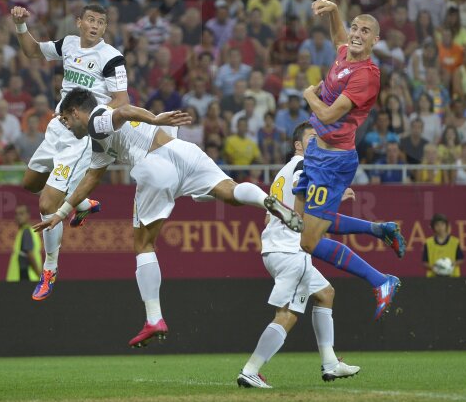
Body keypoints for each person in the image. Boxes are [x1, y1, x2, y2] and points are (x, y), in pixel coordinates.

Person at [36, 89, 302, 347]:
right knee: (230, 191)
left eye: (66, 121)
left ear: (74, 112)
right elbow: (91, 178)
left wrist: (153, 118)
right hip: (183, 152)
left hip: (154, 167)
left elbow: (124, 111)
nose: (67, 127)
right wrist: (61, 213)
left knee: (143, 245)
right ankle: (267, 202)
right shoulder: (100, 139)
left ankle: (154, 319)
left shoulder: (96, 119)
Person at [10, 3, 127, 301]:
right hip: (57, 127)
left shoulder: (111, 57)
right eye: (90, 20)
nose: (95, 25)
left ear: (104, 27)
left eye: (101, 22)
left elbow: (122, 100)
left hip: (80, 136)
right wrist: (20, 25)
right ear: (78, 22)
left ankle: (49, 268)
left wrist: (93, 118)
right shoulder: (68, 45)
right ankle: (84, 203)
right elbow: (32, 51)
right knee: (30, 184)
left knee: (48, 204)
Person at [297, 0, 405, 320]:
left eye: (365, 31)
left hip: (334, 162)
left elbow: (329, 113)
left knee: (309, 241)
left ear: (376, 41)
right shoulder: (345, 53)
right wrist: (333, 12)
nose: (357, 34)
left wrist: (308, 96)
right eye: (356, 28)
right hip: (317, 150)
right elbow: (338, 38)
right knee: (303, 218)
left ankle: (381, 280)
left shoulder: (367, 75)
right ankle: (379, 229)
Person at [237, 122, 360, 389]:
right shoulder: (303, 168)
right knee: (288, 314)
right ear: (298, 145)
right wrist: (335, 197)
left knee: (326, 293)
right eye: (312, 139)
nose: (318, 144)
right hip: (291, 251)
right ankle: (251, 370)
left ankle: (330, 362)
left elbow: (270, 212)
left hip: (277, 248)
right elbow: (303, 201)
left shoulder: (282, 172)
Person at [421, 213, 464, 277]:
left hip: (453, 278)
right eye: (437, 225)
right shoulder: (428, 243)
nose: (440, 227)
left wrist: (450, 264)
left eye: (442, 224)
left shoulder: (455, 242)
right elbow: (424, 262)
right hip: (433, 278)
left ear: (446, 226)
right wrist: (434, 268)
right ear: (433, 227)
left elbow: (461, 259)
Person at [7, 204, 42, 282]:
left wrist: (40, 276)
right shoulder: (24, 232)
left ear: (28, 215)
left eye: (21, 214)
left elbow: (30, 254)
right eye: (16, 214)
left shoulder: (26, 232)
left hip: (27, 276)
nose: (18, 217)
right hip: (22, 277)